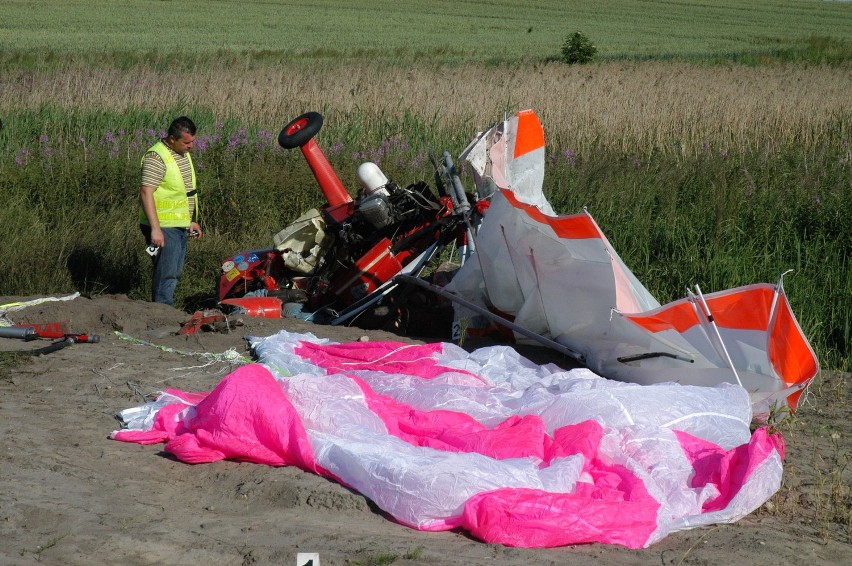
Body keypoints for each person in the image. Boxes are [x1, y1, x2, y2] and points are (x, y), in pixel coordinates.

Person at [139, 116, 202, 306]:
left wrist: (189, 221)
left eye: (193, 141)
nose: (191, 146)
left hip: (179, 224)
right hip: (163, 226)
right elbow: (146, 192)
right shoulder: (156, 157)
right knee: (166, 273)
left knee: (174, 272)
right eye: (186, 142)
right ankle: (161, 311)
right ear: (172, 139)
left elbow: (181, 192)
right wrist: (155, 229)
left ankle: (166, 309)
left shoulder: (182, 153)